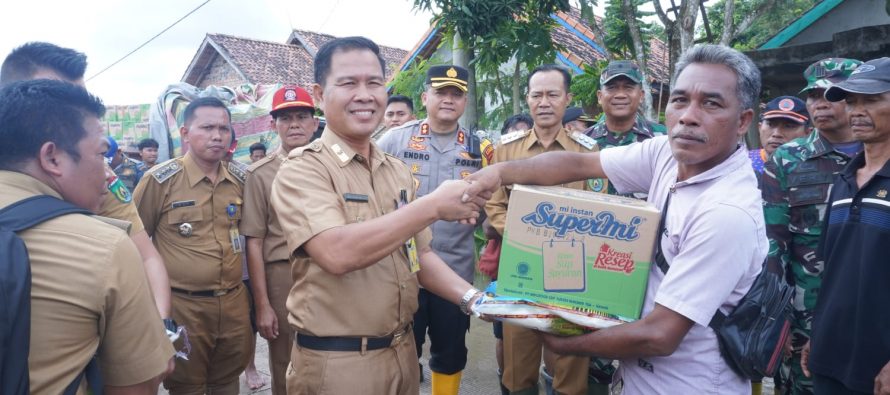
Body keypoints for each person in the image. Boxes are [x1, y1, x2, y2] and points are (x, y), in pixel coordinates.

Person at [465, 44, 767, 394]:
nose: (688, 116)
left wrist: (564, 343)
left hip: (688, 383)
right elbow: (577, 165)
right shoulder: (666, 154)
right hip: (637, 375)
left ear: (744, 120)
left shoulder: (726, 214)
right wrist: (499, 172)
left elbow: (659, 336)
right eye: (680, 100)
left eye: (711, 103)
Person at [269, 36, 489, 395]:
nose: (364, 94)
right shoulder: (303, 169)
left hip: (401, 355)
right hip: (339, 363)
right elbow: (337, 253)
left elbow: (420, 256)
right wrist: (432, 205)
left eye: (374, 83)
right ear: (320, 94)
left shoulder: (397, 171)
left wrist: (476, 300)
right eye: (348, 83)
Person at [0, 79, 175, 393]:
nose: (107, 172)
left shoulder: (107, 200)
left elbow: (149, 256)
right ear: (52, 157)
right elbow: (138, 385)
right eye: (99, 154)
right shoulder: (105, 248)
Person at [0, 41, 172, 319]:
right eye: (53, 98)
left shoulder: (99, 175)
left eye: (79, 100)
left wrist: (162, 325)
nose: (74, 113)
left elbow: (147, 256)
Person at [485, 64, 598, 395]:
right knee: (518, 366)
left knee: (570, 364)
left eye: (552, 94)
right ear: (528, 99)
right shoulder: (506, 149)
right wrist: (528, 240)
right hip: (521, 269)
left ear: (567, 99)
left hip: (572, 273)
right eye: (537, 95)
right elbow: (494, 205)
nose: (544, 102)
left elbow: (598, 212)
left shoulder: (588, 151)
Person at [133, 97, 252, 394]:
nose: (217, 135)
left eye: (224, 128)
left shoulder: (241, 180)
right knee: (187, 386)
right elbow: (131, 242)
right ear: (185, 134)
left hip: (234, 302)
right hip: (185, 307)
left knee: (227, 381)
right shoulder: (160, 181)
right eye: (208, 127)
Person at [377, 64, 484, 394]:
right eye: (441, 92)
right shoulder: (395, 140)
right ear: (425, 97)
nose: (449, 100)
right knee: (399, 349)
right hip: (403, 270)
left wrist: (479, 216)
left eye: (457, 94)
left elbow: (490, 207)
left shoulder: (480, 149)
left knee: (450, 353)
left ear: (465, 102)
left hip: (454, 270)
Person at [760, 57, 862, 395]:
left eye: (832, 94)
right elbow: (772, 245)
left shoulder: (879, 155)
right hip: (807, 321)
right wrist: (777, 319)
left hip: (871, 316)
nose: (821, 103)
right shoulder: (788, 159)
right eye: (813, 95)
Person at [802, 57, 890, 395]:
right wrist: (818, 334)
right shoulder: (844, 180)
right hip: (830, 359)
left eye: (871, 100)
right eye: (851, 101)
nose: (856, 110)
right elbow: (834, 271)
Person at [241, 85, 318, 395]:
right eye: (285, 118)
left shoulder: (332, 167)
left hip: (328, 270)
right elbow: (254, 242)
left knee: (332, 353)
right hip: (282, 275)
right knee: (285, 358)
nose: (295, 124)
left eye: (302, 116)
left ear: (315, 122)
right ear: (273, 125)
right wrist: (262, 305)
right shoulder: (259, 174)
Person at [584, 60, 666, 196]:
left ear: (641, 95)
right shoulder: (584, 142)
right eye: (612, 88)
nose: (620, 94)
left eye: (628, 88)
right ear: (599, 96)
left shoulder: (662, 139)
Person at [749, 96, 810, 174]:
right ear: (760, 128)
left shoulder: (818, 166)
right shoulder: (742, 164)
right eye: (771, 124)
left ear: (808, 134)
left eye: (789, 126)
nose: (777, 134)